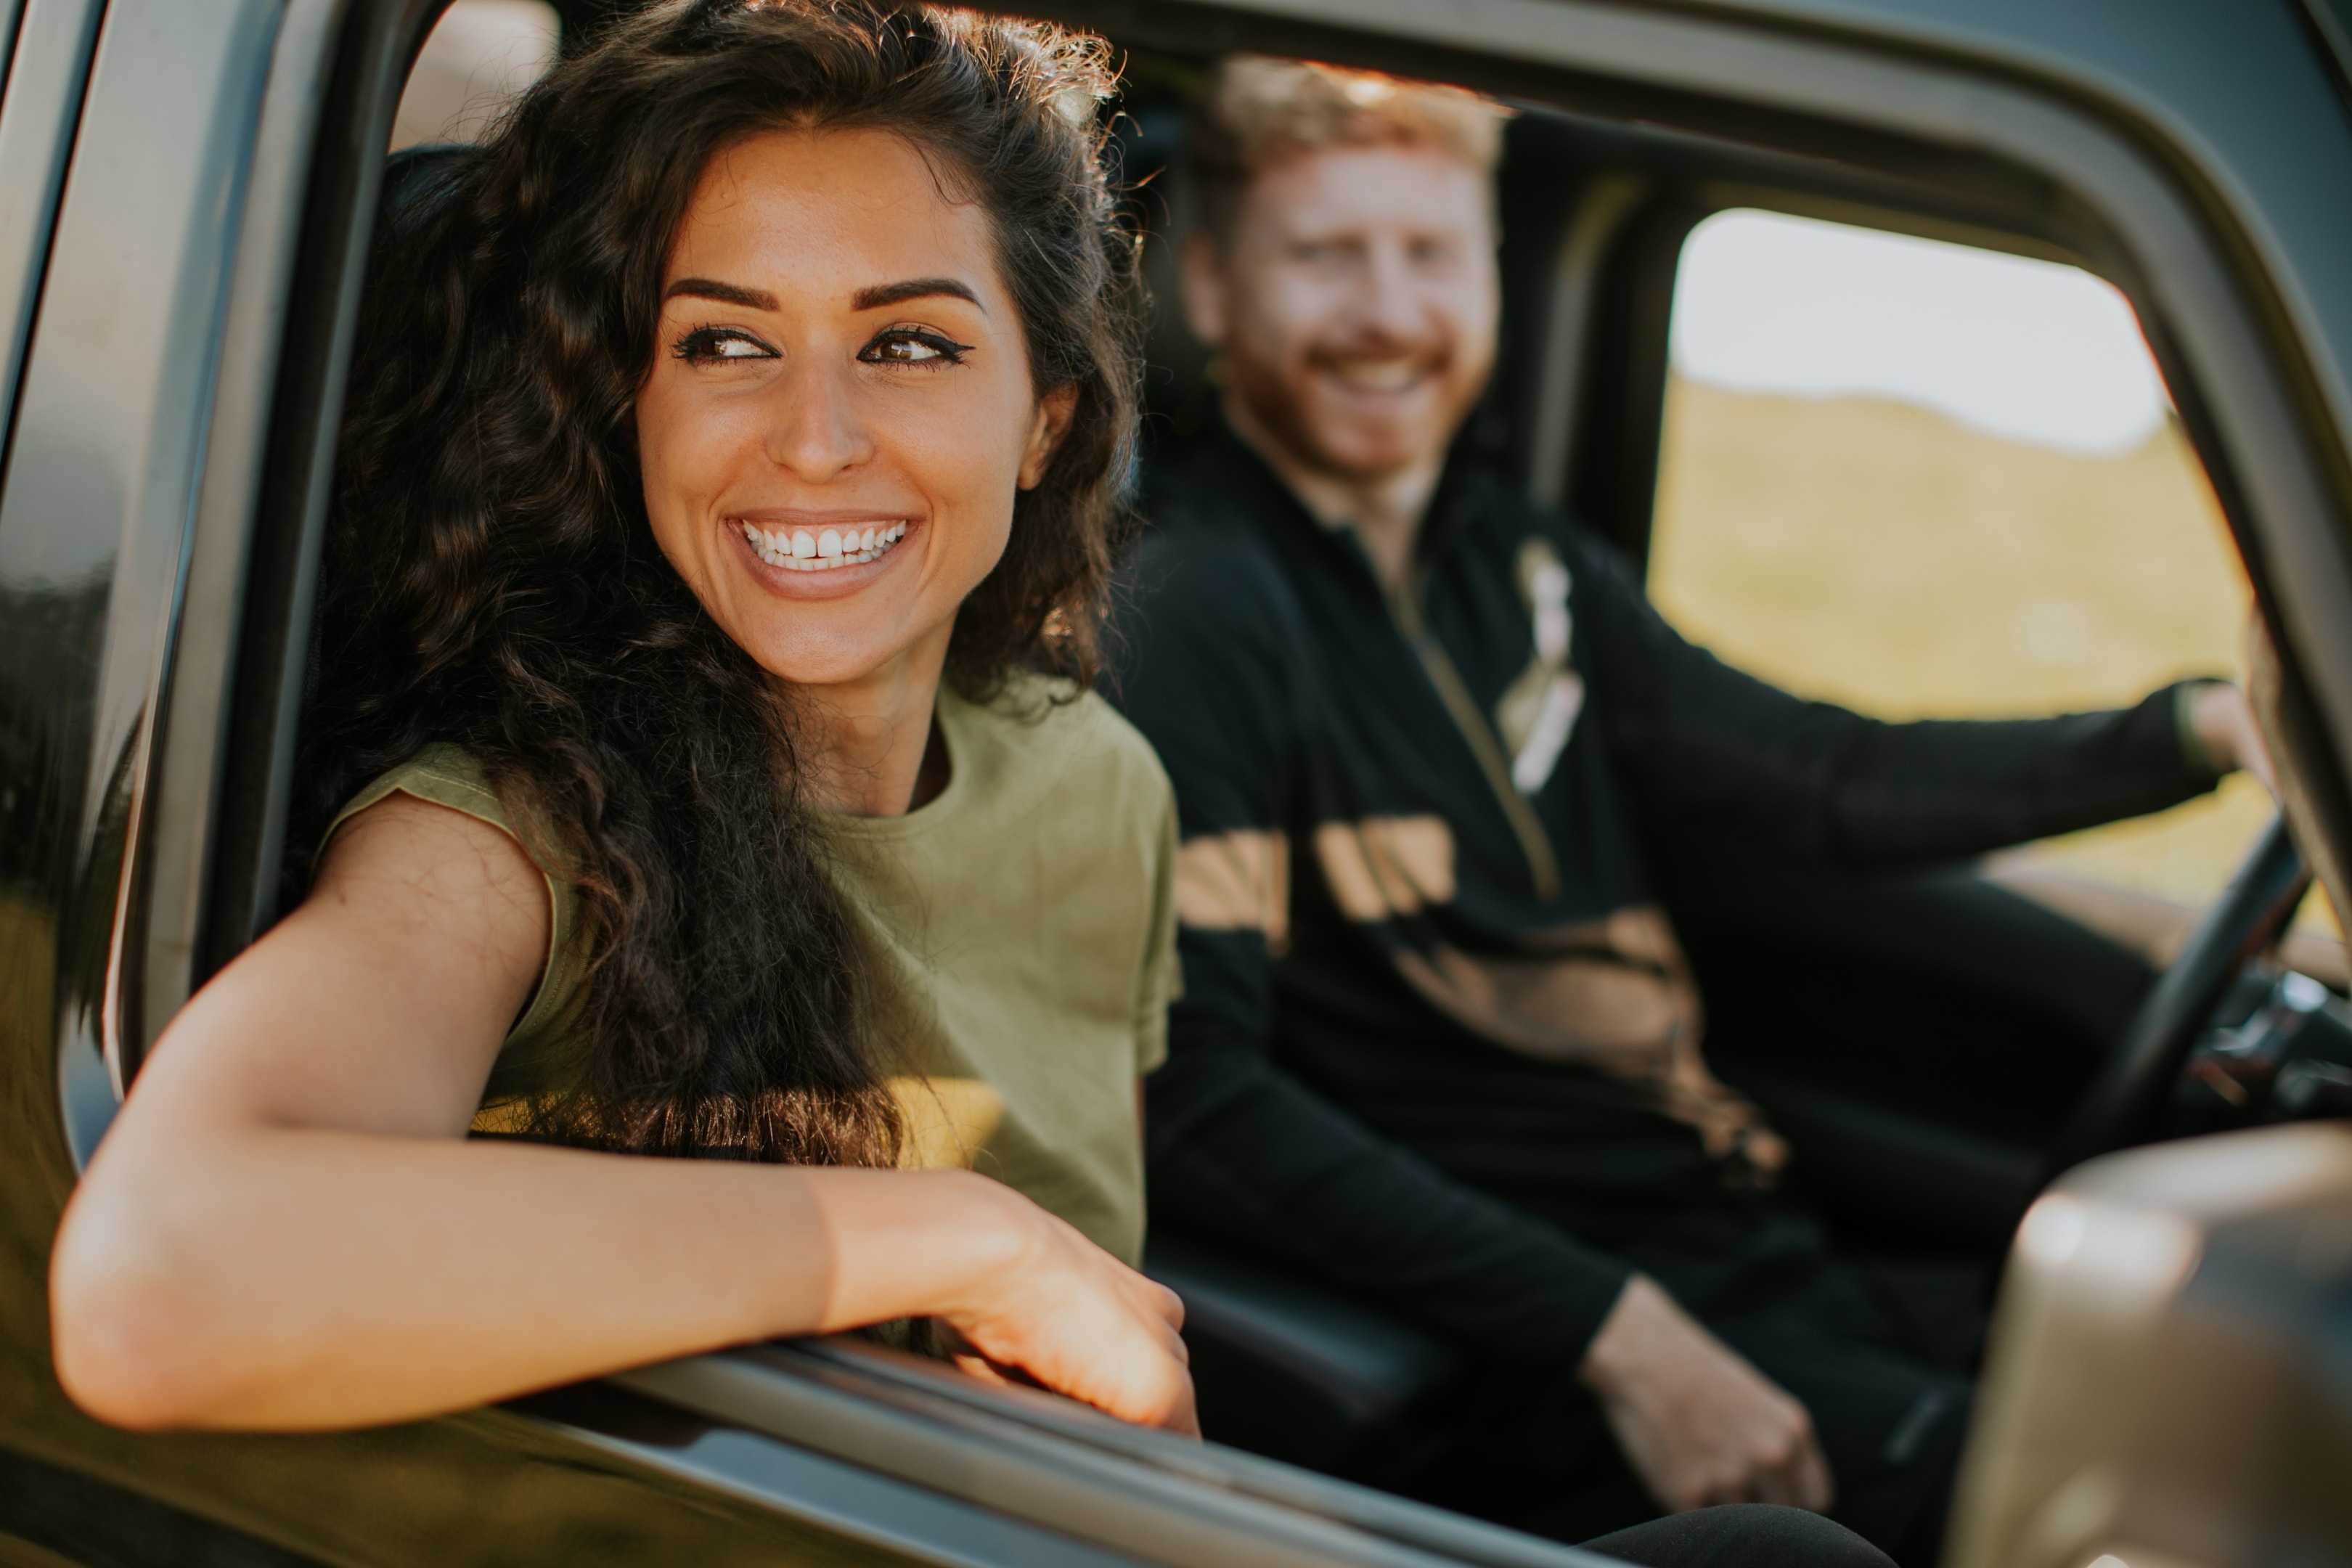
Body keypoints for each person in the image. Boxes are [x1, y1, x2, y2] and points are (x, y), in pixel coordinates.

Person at [1108, 54, 2277, 1564]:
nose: (1390, 312)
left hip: (1740, 1251)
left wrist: (2204, 726)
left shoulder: (1518, 565)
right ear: (1209, 288)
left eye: (1431, 253)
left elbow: (1827, 781)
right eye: (1327, 255)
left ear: (1491, 278)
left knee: (2209, 1381)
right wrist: (1622, 1337)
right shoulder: (1203, 607)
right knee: (2153, 1515)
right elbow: (1195, 1096)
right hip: (1549, 1343)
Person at [50, 0, 1195, 1439]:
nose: (816, 438)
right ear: (627, 408)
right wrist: (966, 1245)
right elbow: (159, 1283)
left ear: (1047, 419)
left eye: (908, 345)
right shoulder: (509, 837)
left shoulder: (1105, 790)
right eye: (724, 343)